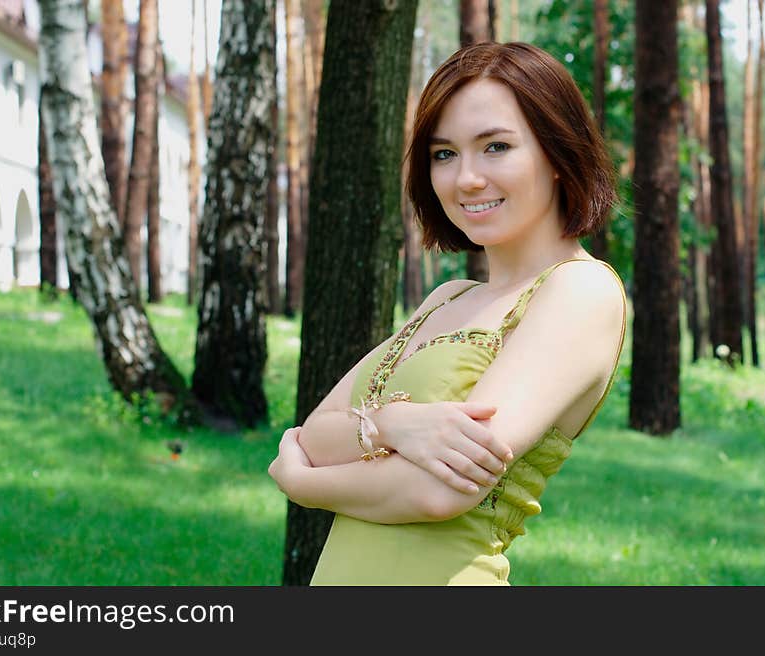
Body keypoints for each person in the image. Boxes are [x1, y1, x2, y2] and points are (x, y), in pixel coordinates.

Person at [268, 41, 627, 585]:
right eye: (444, 154)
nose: (466, 179)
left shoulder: (581, 290)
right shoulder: (449, 298)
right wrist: (396, 425)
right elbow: (315, 432)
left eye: (497, 146)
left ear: (558, 153)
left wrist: (300, 484)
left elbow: (440, 491)